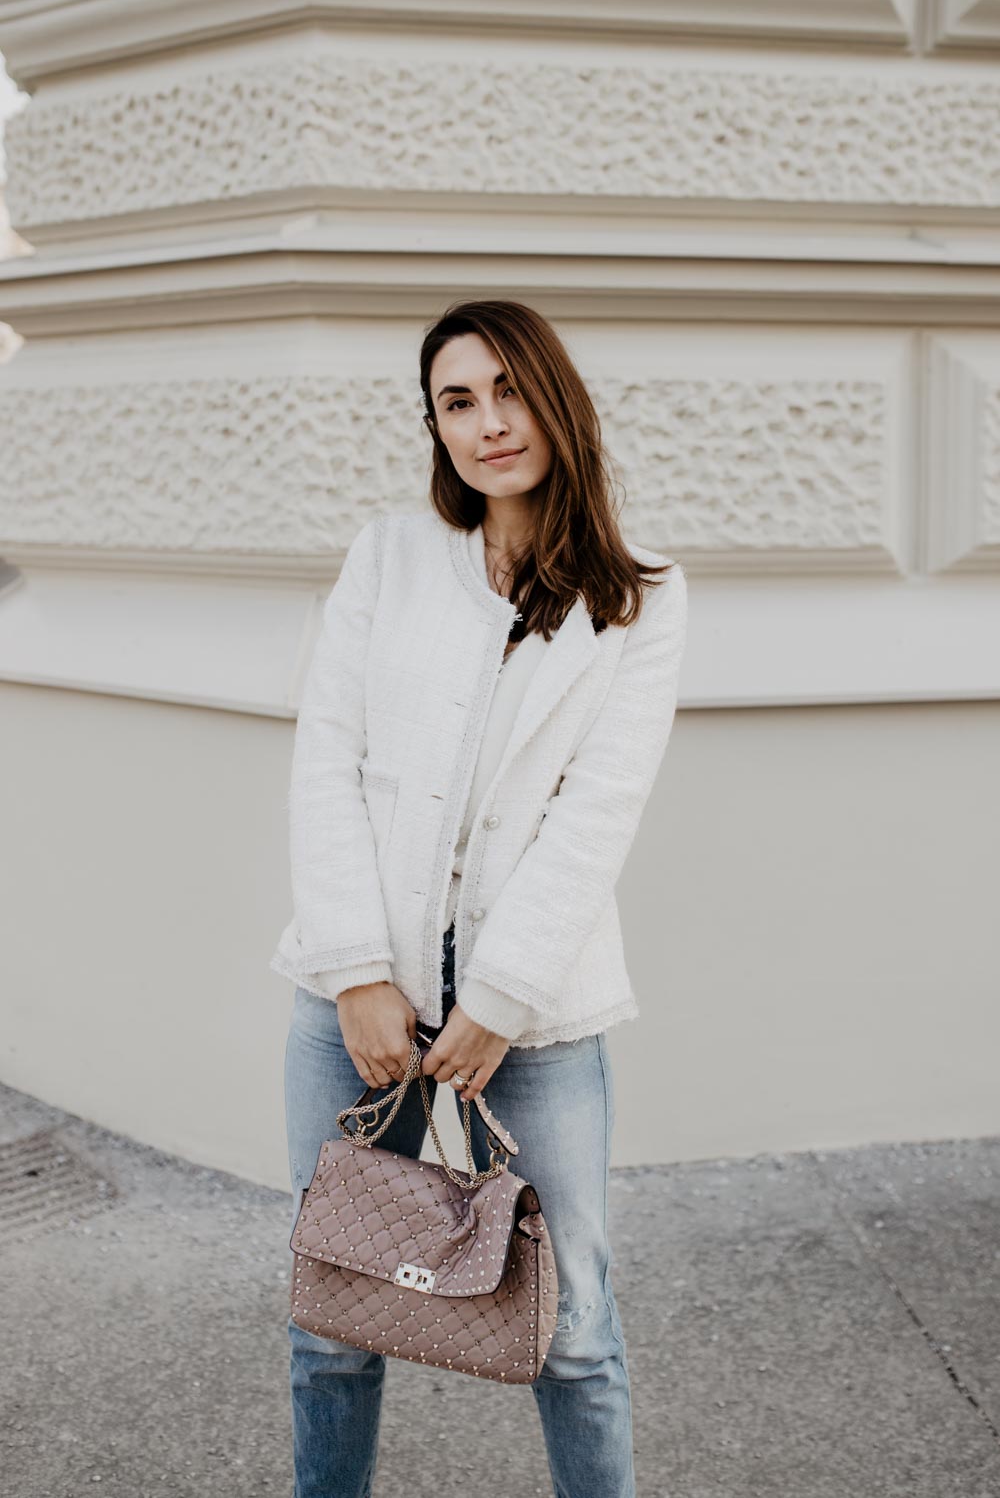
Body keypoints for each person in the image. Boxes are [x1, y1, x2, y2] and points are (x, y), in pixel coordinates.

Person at [275, 298, 688, 1497]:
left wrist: (500, 999)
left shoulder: (642, 597)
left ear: (554, 400)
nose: (488, 423)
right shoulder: (390, 558)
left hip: (536, 1028)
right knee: (332, 1324)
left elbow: (596, 815)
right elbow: (326, 761)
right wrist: (356, 969)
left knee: (574, 1335)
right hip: (352, 1010)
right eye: (458, 401)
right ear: (435, 427)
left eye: (508, 390)